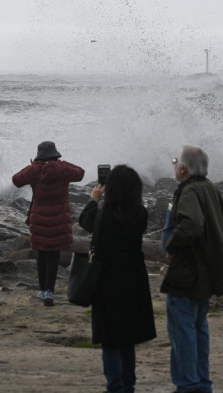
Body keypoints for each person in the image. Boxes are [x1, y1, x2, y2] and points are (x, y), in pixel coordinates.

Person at [161, 145, 223, 393]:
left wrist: (172, 248)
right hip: (204, 274)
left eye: (175, 162)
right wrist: (212, 249)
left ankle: (188, 385)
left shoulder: (189, 191)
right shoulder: (211, 189)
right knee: (198, 329)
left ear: (183, 169)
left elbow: (192, 225)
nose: (174, 165)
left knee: (183, 332)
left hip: (187, 273)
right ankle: (202, 383)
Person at [78, 165, 156, 392]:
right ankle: (128, 385)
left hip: (106, 282)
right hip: (134, 281)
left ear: (111, 189)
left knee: (110, 340)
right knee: (127, 338)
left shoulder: (102, 215)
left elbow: (84, 221)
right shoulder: (140, 215)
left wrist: (94, 199)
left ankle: (115, 386)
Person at [12, 141, 84, 306]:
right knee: (54, 254)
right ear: (56, 154)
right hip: (59, 218)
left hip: (39, 218)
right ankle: (49, 292)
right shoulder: (63, 169)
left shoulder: (34, 171)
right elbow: (80, 173)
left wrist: (31, 166)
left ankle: (42, 290)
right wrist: (63, 163)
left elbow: (16, 180)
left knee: (41, 253)